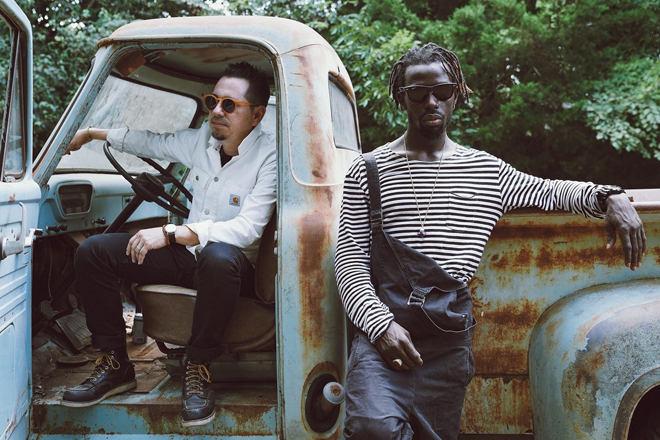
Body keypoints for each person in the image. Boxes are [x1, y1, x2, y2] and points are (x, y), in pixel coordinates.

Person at [334, 43, 645, 440]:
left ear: (456, 94)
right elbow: (349, 262)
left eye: (442, 91)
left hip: (447, 343)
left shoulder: (485, 171)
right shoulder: (368, 170)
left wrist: (610, 197)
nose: (431, 101)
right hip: (384, 335)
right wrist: (380, 327)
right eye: (418, 92)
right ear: (401, 96)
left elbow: (550, 192)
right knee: (370, 428)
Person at [60, 62, 276, 428]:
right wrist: (92, 133)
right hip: (190, 258)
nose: (216, 111)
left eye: (229, 105)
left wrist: (171, 233)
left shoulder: (269, 156)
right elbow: (150, 141)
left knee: (218, 255)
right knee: (93, 252)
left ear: (256, 115)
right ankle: (115, 364)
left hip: (232, 268)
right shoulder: (201, 141)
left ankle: (199, 366)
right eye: (212, 102)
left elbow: (248, 229)